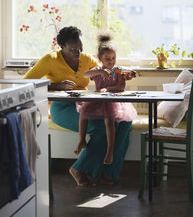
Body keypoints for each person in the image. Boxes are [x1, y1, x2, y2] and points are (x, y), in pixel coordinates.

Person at [23, 26, 135, 187]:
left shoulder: (87, 59)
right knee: (102, 127)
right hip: (63, 108)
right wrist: (55, 86)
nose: (78, 52)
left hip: (86, 105)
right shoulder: (50, 59)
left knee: (124, 122)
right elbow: (26, 83)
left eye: (80, 48)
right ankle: (80, 169)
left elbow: (106, 72)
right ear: (62, 46)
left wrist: (122, 76)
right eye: (73, 49)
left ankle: (107, 172)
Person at [74, 33, 137, 165]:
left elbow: (120, 87)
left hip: (112, 102)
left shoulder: (118, 70)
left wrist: (108, 88)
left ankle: (110, 151)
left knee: (109, 120)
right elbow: (86, 74)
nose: (111, 61)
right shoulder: (97, 70)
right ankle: (81, 140)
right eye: (107, 58)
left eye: (113, 58)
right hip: (98, 101)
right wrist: (99, 72)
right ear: (100, 58)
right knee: (83, 111)